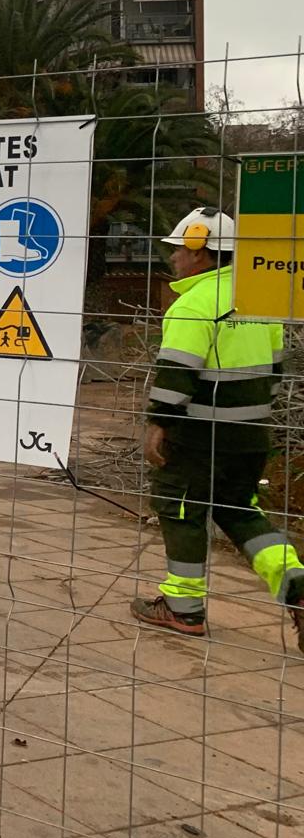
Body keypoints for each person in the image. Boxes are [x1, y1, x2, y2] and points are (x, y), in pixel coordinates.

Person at [132, 207, 304, 649]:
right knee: (239, 510)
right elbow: (275, 371)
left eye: (178, 250)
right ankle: (299, 587)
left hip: (197, 438)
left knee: (182, 510)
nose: (172, 258)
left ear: (201, 253)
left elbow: (177, 376)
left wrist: (158, 425)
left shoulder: (194, 303)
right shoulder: (257, 300)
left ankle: (183, 608)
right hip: (249, 436)